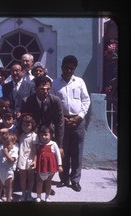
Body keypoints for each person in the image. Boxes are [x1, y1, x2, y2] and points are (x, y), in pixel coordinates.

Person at [51, 55, 91, 192]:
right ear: (62, 67)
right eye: (66, 68)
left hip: (78, 122)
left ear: (74, 69)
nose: (69, 71)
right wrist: (62, 118)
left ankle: (75, 180)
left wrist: (79, 117)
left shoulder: (79, 82)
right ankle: (63, 179)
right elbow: (53, 104)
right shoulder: (55, 84)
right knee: (63, 152)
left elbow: (86, 101)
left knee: (77, 153)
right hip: (61, 122)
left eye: (71, 69)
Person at [21, 76, 64, 196]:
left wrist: (59, 145)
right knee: (34, 160)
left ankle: (47, 185)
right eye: (42, 89)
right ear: (35, 88)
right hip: (33, 135)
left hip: (50, 135)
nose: (45, 91)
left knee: (51, 159)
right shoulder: (27, 100)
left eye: (48, 89)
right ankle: (35, 184)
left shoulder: (55, 100)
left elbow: (60, 123)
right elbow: (24, 119)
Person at [35, 125, 63, 202]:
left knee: (48, 182)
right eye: (42, 135)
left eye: (46, 135)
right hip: (41, 167)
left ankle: (47, 197)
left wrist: (59, 165)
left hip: (50, 167)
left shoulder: (53, 144)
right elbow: (36, 154)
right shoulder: (39, 144)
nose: (44, 137)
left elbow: (58, 155)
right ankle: (38, 196)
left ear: (50, 135)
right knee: (39, 182)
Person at [17, 114, 38, 201]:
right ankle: (23, 193)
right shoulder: (20, 135)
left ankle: (29, 192)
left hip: (30, 159)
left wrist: (35, 161)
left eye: (28, 125)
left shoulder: (34, 136)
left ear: (32, 125)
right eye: (24, 125)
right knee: (22, 178)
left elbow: (35, 150)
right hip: (21, 158)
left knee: (31, 177)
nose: (26, 127)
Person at [0, 131, 19, 202]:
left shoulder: (14, 150)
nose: (5, 146)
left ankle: (8, 199)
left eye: (8, 144)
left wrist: (6, 153)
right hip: (0, 170)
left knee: (9, 188)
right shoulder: (1, 149)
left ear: (13, 143)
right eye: (4, 144)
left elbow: (11, 160)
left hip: (8, 171)